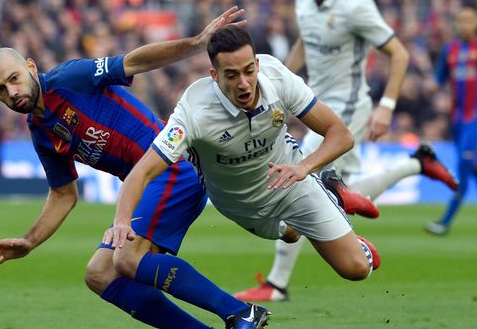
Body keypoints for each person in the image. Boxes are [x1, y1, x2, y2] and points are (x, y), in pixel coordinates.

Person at [0, 6, 270, 329]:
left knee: (127, 258)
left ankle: (240, 312)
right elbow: (63, 194)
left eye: (14, 79)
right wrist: (29, 241)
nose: (13, 92)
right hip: (146, 184)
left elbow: (134, 61)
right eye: (2, 90)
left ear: (30, 67)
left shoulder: (68, 79)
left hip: (170, 167)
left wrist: (196, 43)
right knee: (99, 274)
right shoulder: (41, 131)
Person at [233, 0, 458, 302]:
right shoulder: (304, 0)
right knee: (334, 187)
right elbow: (304, 44)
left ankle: (277, 283)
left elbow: (398, 53)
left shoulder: (355, 3)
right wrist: (277, 83)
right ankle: (416, 163)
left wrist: (387, 105)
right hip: (315, 105)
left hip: (348, 108)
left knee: (297, 178)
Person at [104, 25, 381, 297]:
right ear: (214, 75)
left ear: (257, 64)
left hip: (293, 179)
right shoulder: (193, 112)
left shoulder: (278, 77)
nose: (244, 83)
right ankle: (334, 194)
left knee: (355, 268)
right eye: (232, 75)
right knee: (292, 236)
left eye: (249, 70)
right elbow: (142, 172)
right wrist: (122, 220)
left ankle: (328, 193)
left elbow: (340, 135)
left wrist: (304, 168)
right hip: (241, 204)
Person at [424, 6, 477, 235]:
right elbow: (438, 79)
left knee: (463, 167)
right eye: (461, 20)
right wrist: (428, 88)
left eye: (469, 20)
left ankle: (444, 222)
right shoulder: (451, 49)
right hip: (456, 119)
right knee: (471, 168)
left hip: (474, 118)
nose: (465, 24)